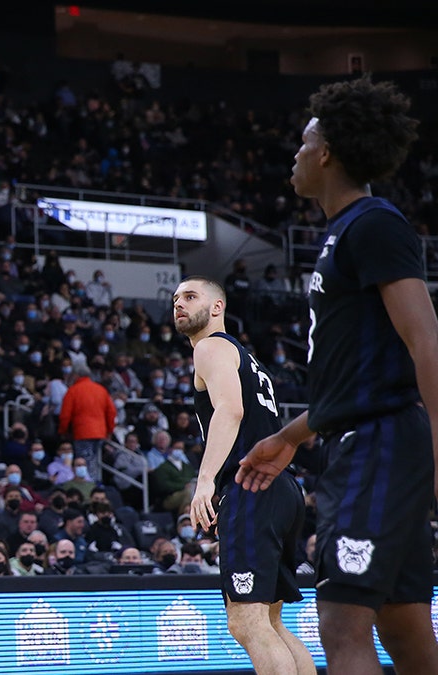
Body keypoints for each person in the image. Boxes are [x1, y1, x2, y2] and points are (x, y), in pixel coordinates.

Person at [238, 78, 438, 675]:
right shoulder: (344, 233)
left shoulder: (374, 224)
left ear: (325, 152)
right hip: (365, 438)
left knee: (341, 624)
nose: (295, 156)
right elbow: (358, 383)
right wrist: (289, 438)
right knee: (404, 625)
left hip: (378, 447)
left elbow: (424, 339)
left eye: (303, 144)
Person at [173, 276, 313, 674]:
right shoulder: (247, 357)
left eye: (190, 296)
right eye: (175, 299)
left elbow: (230, 411)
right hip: (282, 488)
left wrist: (204, 483)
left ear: (217, 308)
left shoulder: (211, 347)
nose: (179, 304)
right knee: (269, 622)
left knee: (247, 622)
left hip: (252, 487)